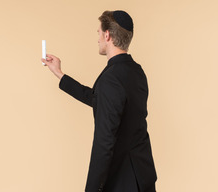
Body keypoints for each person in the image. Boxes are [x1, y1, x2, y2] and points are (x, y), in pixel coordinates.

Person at [41, 10, 157, 192]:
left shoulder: (111, 78)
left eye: (99, 33)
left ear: (107, 35)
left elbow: (104, 142)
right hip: (143, 176)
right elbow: (99, 99)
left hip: (122, 181)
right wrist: (60, 74)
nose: (98, 39)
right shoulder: (136, 72)